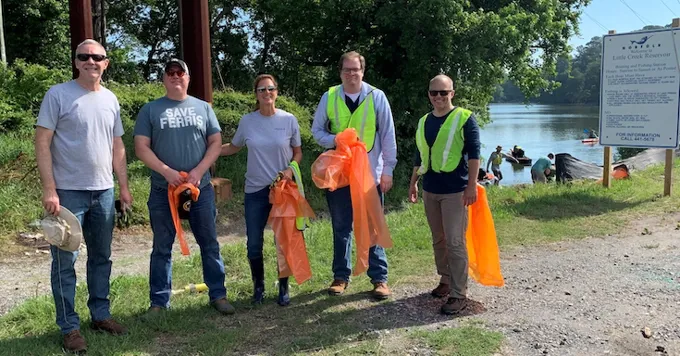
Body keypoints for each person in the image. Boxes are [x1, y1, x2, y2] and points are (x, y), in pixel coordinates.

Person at [35, 39, 132, 353]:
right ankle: (70, 328)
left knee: (101, 258)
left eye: (98, 57)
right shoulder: (58, 95)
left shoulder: (111, 99)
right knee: (65, 263)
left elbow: (118, 147)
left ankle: (100, 315)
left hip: (104, 191)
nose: (91, 61)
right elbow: (42, 142)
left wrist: (124, 187)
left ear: (106, 63)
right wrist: (50, 189)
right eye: (85, 56)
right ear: (76, 61)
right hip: (67, 194)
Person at [134, 59, 234, 315]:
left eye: (181, 72)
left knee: (209, 242)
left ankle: (218, 295)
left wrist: (200, 171)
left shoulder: (203, 108)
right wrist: (166, 171)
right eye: (170, 73)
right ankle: (158, 302)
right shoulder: (150, 110)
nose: (176, 76)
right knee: (161, 246)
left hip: (200, 189)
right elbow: (141, 147)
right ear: (164, 79)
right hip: (163, 190)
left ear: (188, 78)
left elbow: (215, 142)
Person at [311, 51, 398, 300]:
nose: (351, 74)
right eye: (347, 70)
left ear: (363, 72)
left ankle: (379, 279)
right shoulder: (329, 97)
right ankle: (341, 277)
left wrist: (388, 170)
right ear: (340, 73)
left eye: (355, 70)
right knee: (341, 227)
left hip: (370, 174)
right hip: (339, 175)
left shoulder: (376, 97)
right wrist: (335, 140)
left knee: (373, 226)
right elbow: (317, 131)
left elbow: (388, 136)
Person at [220, 74, 303, 306]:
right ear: (256, 94)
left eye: (271, 89)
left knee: (283, 240)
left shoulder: (289, 120)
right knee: (254, 242)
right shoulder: (248, 121)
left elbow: (298, 153)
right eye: (261, 90)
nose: (267, 93)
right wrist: (209, 150)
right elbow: (234, 147)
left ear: (277, 92)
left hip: (282, 189)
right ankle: (258, 286)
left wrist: (290, 169)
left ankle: (284, 287)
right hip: (255, 190)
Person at [408, 74, 481, 315]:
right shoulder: (423, 121)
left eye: (443, 92)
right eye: (434, 93)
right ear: (428, 94)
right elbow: (420, 156)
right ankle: (446, 279)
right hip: (431, 189)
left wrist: (472, 185)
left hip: (455, 192)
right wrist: (413, 183)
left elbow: (474, 154)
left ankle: (459, 294)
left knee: (455, 241)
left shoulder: (465, 118)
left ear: (452, 93)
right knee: (438, 240)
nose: (438, 97)